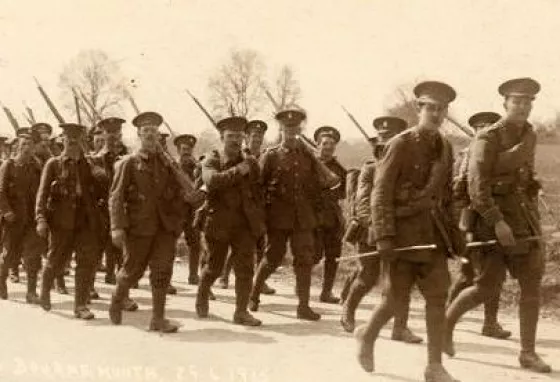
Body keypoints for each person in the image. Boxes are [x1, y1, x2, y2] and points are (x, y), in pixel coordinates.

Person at [355, 81, 461, 382]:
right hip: (402, 235)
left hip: (432, 236)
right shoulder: (400, 144)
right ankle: (367, 337)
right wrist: (385, 236)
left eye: (442, 110)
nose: (437, 114)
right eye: (431, 108)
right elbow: (380, 193)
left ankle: (434, 366)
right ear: (419, 109)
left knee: (438, 298)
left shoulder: (445, 148)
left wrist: (456, 235)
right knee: (394, 301)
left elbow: (448, 195)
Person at [444, 78, 551, 373]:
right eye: (516, 101)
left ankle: (528, 353)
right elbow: (477, 187)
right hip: (492, 223)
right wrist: (497, 222)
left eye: (527, 102)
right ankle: (445, 327)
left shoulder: (529, 134)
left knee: (532, 285)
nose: (522, 107)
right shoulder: (488, 138)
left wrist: (533, 185)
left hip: (525, 220)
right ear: (505, 104)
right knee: (485, 288)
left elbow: (524, 173)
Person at [249, 108, 339, 321]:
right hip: (278, 216)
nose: (292, 132)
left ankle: (303, 306)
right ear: (281, 129)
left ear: (300, 130)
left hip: (303, 217)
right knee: (273, 257)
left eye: (296, 128)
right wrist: (261, 216)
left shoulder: (308, 157)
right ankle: (253, 294)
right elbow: (257, 187)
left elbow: (322, 185)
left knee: (304, 259)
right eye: (288, 128)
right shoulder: (270, 156)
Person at [341, 116, 422, 343]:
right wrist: (376, 228)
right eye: (383, 138)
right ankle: (348, 309)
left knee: (400, 279)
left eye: (391, 138)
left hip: (400, 230)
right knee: (368, 276)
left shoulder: (407, 169)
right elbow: (363, 203)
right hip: (371, 231)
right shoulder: (370, 168)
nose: (386, 142)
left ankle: (400, 328)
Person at [108, 111, 185, 333]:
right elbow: (116, 196)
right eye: (146, 131)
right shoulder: (129, 162)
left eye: (154, 131)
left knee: (162, 271)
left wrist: (176, 223)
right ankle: (117, 298)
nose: (150, 135)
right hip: (138, 227)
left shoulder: (167, 164)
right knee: (132, 271)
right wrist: (117, 226)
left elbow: (179, 194)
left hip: (164, 227)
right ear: (139, 135)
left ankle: (158, 319)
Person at [195, 116, 264, 326]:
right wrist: (238, 170)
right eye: (230, 136)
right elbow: (212, 181)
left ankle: (241, 312)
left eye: (238, 136)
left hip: (244, 224)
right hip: (219, 224)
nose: (235, 140)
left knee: (245, 269)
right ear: (222, 138)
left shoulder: (249, 161)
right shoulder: (212, 158)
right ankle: (202, 294)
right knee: (214, 268)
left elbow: (258, 188)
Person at [448, 111, 511, 339]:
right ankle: (445, 315)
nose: (485, 131)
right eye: (481, 127)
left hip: (497, 220)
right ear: (475, 131)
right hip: (472, 223)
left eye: (490, 127)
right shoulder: (467, 156)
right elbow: (457, 193)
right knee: (469, 275)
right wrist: (464, 228)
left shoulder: (501, 155)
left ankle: (489, 322)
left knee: (495, 272)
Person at [36, 123, 102, 320]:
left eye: (76, 141)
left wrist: (95, 166)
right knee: (55, 260)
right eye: (69, 140)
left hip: (85, 222)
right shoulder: (53, 164)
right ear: (62, 141)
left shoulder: (88, 164)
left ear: (81, 142)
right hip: (60, 223)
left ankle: (80, 305)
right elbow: (43, 193)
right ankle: (45, 291)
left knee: (85, 263)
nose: (72, 145)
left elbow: (102, 186)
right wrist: (40, 218)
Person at [219, 120, 276, 295]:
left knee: (261, 244)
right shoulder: (241, 155)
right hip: (242, 205)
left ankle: (259, 280)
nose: (257, 138)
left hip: (262, 204)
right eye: (254, 135)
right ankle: (224, 275)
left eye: (260, 136)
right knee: (239, 244)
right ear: (247, 137)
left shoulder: (266, 155)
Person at [0, 129, 45, 303]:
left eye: (30, 144)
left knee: (33, 256)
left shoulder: (36, 166)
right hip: (13, 219)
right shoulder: (8, 165)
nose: (27, 148)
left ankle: (31, 292)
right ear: (17, 147)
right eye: (24, 144)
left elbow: (42, 190)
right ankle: (1, 281)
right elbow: (1, 191)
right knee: (10, 255)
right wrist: (6, 211)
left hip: (31, 218)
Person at [312, 125, 347, 303]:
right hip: (312, 218)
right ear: (318, 145)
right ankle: (301, 286)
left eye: (332, 144)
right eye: (325, 143)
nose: (328, 147)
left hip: (332, 220)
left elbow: (342, 194)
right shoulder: (309, 164)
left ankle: (326, 292)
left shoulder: (339, 169)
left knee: (333, 257)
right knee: (312, 255)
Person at [174, 133, 203, 285]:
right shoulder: (173, 166)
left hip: (192, 212)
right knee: (170, 243)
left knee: (195, 243)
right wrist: (181, 195)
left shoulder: (197, 167)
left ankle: (193, 275)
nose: (187, 153)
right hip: (177, 211)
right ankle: (167, 278)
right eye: (184, 149)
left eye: (189, 150)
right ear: (178, 150)